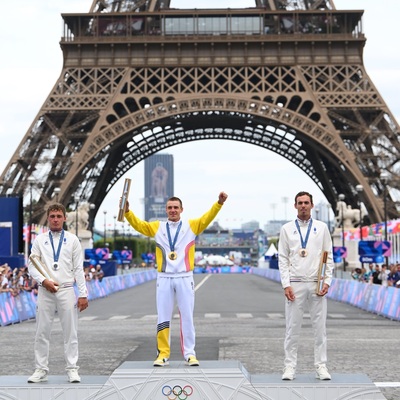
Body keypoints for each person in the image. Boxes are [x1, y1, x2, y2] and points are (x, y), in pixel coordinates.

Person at [123, 192, 228, 367]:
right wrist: (127, 213)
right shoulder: (158, 227)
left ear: (181, 209)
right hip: (164, 277)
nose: (173, 210)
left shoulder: (192, 226)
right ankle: (163, 354)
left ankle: (190, 354)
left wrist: (219, 203)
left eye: (175, 208)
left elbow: (208, 218)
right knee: (163, 317)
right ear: (166, 210)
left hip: (185, 277)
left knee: (187, 316)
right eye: (170, 208)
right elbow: (140, 226)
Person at [27, 203, 88, 384]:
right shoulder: (39, 240)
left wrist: (83, 293)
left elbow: (78, 268)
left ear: (64, 218)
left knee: (71, 332)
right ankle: (40, 369)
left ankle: (72, 369)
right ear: (48, 218)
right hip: (46, 290)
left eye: (58, 216)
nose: (55, 219)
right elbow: (32, 263)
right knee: (41, 332)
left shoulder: (73, 240)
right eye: (52, 216)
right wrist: (43, 281)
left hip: (66, 289)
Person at [278, 191, 333, 381]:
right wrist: (286, 284)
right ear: (295, 206)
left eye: (306, 203)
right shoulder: (286, 229)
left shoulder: (322, 227)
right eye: (300, 203)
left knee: (320, 329)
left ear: (312, 206)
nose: (303, 206)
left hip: (316, 283)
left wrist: (326, 281)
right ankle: (289, 366)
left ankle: (321, 366)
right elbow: (283, 259)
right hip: (295, 284)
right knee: (292, 328)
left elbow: (328, 256)